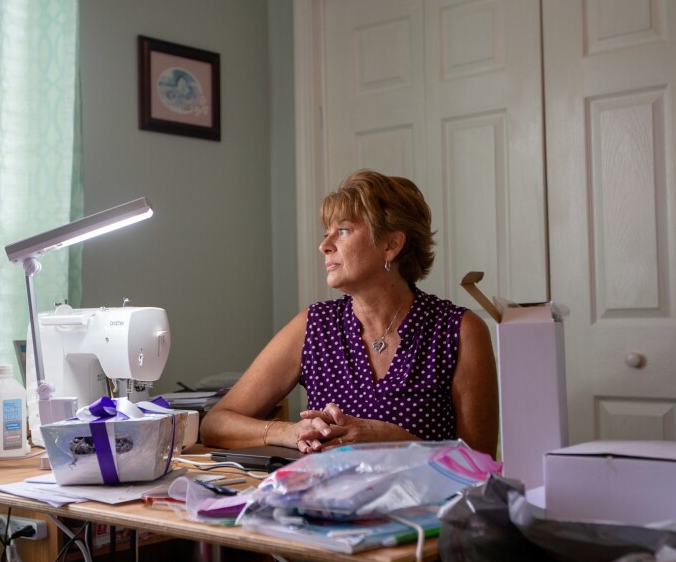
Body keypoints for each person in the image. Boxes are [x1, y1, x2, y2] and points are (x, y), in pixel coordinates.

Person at [202, 169, 498, 458]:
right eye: (326, 233)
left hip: (425, 505)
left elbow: (480, 463)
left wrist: (392, 439)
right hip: (324, 503)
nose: (324, 246)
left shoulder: (459, 330)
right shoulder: (314, 326)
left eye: (342, 231)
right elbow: (216, 424)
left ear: (391, 244)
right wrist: (288, 432)